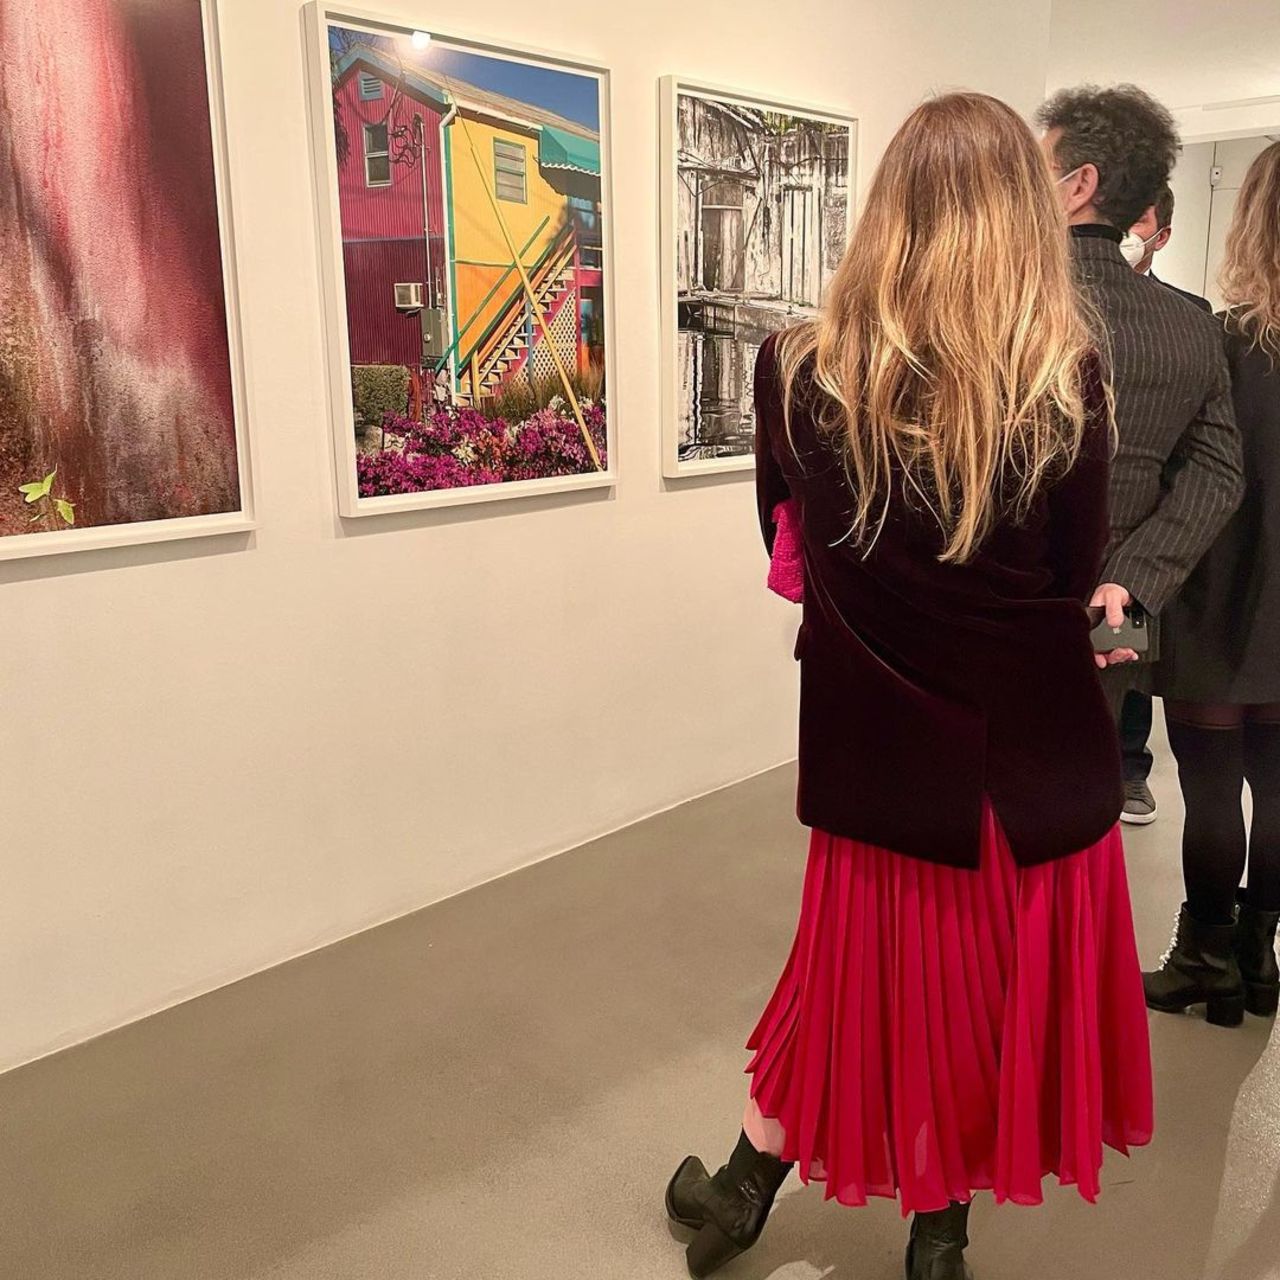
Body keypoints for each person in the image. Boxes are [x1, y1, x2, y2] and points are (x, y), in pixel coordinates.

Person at [664, 93, 1153, 1280]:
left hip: (879, 754)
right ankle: (933, 1236)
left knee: (854, 985)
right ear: (1023, 217)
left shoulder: (793, 368)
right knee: (978, 1007)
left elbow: (787, 550)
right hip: (1028, 764)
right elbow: (1070, 573)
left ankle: (747, 1188)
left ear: (886, 207)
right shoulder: (1064, 376)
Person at [1036, 87, 1243, 726]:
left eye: (1038, 168)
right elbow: (1218, 474)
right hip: (1119, 607)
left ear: (1079, 185)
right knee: (1091, 755)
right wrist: (1133, 581)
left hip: (997, 601)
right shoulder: (1192, 324)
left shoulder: (1000, 306)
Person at [1144, 142, 1280, 1025]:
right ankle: (1260, 956)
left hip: (1214, 595)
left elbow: (1182, 472)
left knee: (1211, 789)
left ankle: (1207, 960)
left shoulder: (1219, 342)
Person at [1116, 186, 1213, 826]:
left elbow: (1205, 438)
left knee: (1127, 647)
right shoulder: (1058, 306)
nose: (1125, 231)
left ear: (1163, 235)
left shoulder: (1190, 316)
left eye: (1139, 220)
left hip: (1148, 517)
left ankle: (1129, 768)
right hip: (1080, 505)